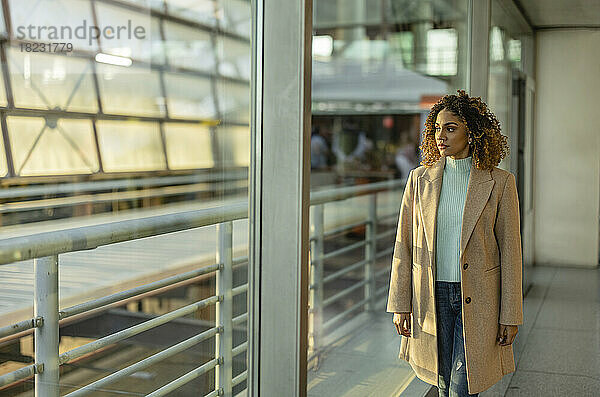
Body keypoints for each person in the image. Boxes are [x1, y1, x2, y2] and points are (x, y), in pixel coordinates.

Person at [386, 89, 523, 396]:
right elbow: (404, 246)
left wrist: (511, 315)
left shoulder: (500, 183)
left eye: (450, 128)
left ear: (472, 132)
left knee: (464, 387)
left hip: (479, 298)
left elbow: (512, 252)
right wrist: (399, 304)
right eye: (436, 129)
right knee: (444, 383)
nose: (440, 136)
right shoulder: (419, 180)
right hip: (431, 296)